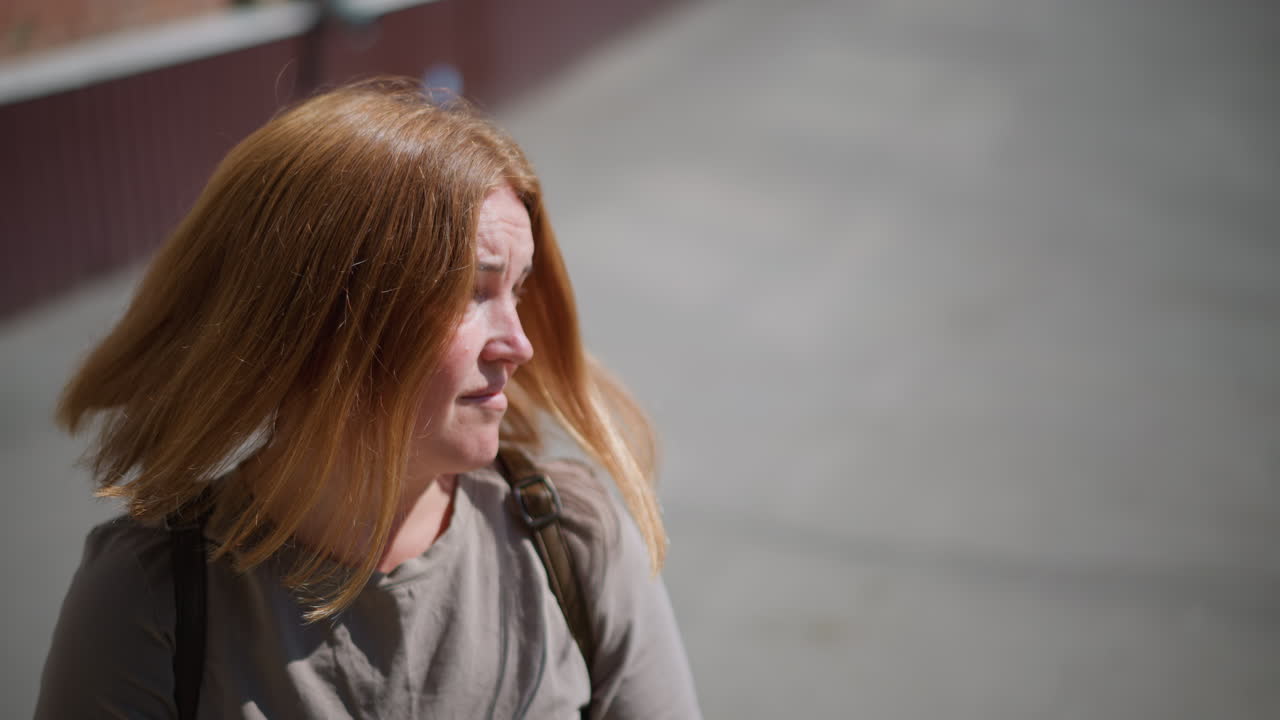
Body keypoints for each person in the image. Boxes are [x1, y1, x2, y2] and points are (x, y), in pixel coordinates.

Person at [35, 77, 701, 719]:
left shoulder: (574, 542)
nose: (519, 344)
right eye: (470, 290)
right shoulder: (151, 599)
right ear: (316, 319)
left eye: (518, 290)